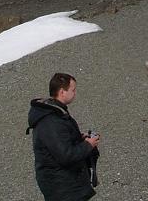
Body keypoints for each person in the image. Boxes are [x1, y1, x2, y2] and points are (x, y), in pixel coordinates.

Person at [27, 73, 100, 201]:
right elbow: (66, 155)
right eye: (73, 90)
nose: (75, 93)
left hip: (65, 182)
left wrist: (78, 138)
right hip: (61, 185)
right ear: (62, 92)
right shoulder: (51, 120)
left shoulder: (55, 112)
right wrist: (88, 145)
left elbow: (60, 142)